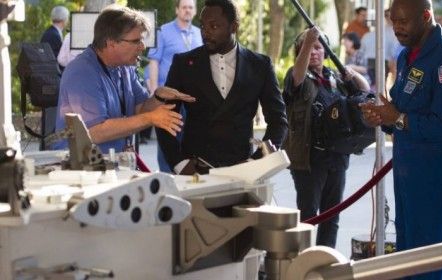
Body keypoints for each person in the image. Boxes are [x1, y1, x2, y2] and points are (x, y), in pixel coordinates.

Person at [360, 0, 442, 278]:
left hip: (437, 174)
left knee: (429, 259)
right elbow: (399, 110)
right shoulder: (408, 55)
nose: (397, 28)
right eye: (393, 21)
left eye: (403, 21)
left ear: (426, 16)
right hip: (409, 170)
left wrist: (398, 118)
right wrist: (382, 117)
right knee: (407, 253)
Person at [156, 0, 288, 175]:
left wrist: (255, 161)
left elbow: (278, 121)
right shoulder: (183, 64)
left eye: (214, 26)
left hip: (243, 170)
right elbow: (164, 119)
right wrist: (179, 163)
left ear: (234, 27)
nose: (205, 32)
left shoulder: (260, 65)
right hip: (195, 171)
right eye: (202, 26)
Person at [54, 6, 195, 154]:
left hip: (113, 165)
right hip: (80, 170)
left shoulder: (125, 67)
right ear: (111, 43)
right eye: (136, 41)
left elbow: (140, 109)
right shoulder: (82, 72)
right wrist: (150, 118)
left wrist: (158, 96)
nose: (142, 47)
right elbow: (95, 131)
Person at [283, 27, 369, 248]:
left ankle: (325, 261)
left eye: (318, 47)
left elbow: (364, 90)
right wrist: (309, 40)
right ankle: (305, 261)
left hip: (337, 157)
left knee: (332, 217)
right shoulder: (297, 74)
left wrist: (352, 74)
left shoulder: (333, 76)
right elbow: (297, 78)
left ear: (326, 52)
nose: (313, 52)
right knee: (309, 217)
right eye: (307, 48)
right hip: (309, 160)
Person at [146, 0, 202, 171]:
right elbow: (154, 62)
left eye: (190, 7)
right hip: (168, 97)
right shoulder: (164, 31)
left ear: (195, 11)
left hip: (193, 99)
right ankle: (167, 175)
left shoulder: (199, 33)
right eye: (184, 7)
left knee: (191, 139)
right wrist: (155, 93)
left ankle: (188, 174)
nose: (187, 10)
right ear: (177, 10)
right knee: (167, 137)